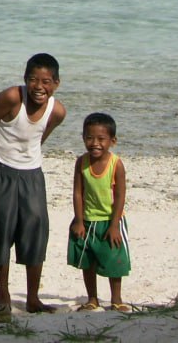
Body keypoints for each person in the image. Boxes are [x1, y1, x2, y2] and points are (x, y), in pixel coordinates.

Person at [0, 52, 66, 313]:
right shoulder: (12, 97)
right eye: (33, 80)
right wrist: (3, 152)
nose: (39, 87)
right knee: (0, 231)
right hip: (0, 170)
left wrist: (25, 157)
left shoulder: (57, 111)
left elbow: (40, 137)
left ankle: (33, 298)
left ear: (56, 84)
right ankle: (2, 295)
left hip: (31, 174)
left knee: (35, 231)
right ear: (25, 80)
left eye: (46, 81)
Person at [67, 112, 131, 312]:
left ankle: (116, 299)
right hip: (86, 219)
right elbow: (78, 193)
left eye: (101, 139)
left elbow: (120, 196)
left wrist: (114, 225)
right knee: (88, 261)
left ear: (112, 141)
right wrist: (78, 220)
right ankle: (92, 298)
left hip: (110, 220)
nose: (95, 143)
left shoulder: (116, 164)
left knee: (114, 260)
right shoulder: (81, 162)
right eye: (89, 138)